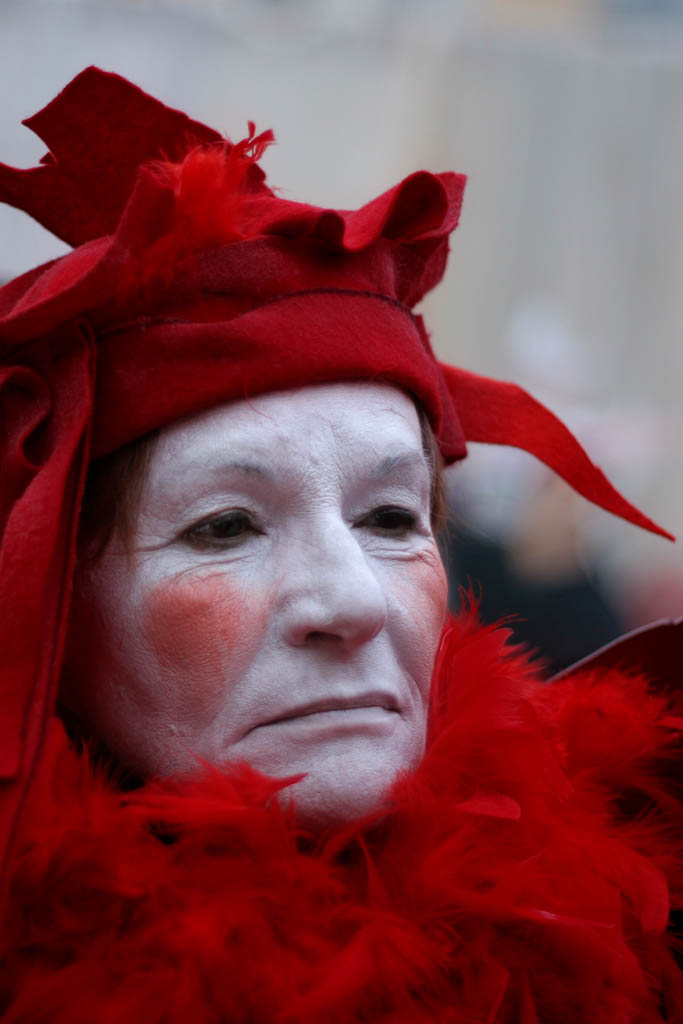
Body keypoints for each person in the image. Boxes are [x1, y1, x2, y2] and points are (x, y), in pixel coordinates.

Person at [0, 67, 680, 1022]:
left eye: (391, 518)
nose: (353, 602)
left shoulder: (624, 924)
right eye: (225, 525)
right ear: (46, 606)